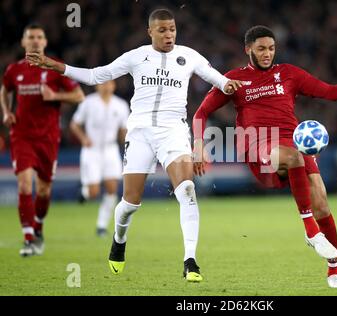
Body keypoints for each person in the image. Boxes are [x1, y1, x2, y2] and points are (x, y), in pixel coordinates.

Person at [26, 8, 241, 282]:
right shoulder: (136, 56)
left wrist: (231, 85)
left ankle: (190, 260)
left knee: (187, 190)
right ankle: (119, 238)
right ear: (149, 31)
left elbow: (220, 81)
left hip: (173, 131)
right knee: (130, 202)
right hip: (139, 132)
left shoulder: (190, 57)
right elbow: (95, 76)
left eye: (172, 29)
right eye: (162, 30)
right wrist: (56, 65)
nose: (169, 35)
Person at [193, 25, 337, 288]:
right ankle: (309, 229)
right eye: (261, 49)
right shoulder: (234, 79)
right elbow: (200, 113)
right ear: (248, 49)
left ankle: (334, 270)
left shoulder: (289, 74)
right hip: (258, 144)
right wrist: (199, 145)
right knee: (292, 157)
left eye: (271, 48)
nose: (267, 53)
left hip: (292, 140)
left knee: (323, 204)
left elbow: (327, 91)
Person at [0, 24, 85, 257]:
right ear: (23, 42)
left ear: (45, 42)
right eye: (31, 37)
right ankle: (28, 238)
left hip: (48, 138)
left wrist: (56, 96)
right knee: (25, 185)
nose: (35, 41)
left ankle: (38, 225)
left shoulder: (54, 68)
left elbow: (79, 96)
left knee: (44, 190)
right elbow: (4, 90)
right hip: (22, 136)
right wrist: (6, 112)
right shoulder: (14, 70)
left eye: (39, 37)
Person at [70, 80, 129, 237]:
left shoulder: (121, 105)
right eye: (102, 83)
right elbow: (74, 124)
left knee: (112, 188)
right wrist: (83, 139)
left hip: (110, 149)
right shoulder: (88, 103)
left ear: (113, 86)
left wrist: (129, 141)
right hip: (92, 150)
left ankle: (101, 226)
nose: (106, 86)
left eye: (109, 83)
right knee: (94, 192)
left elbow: (123, 130)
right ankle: (85, 193)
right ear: (97, 86)